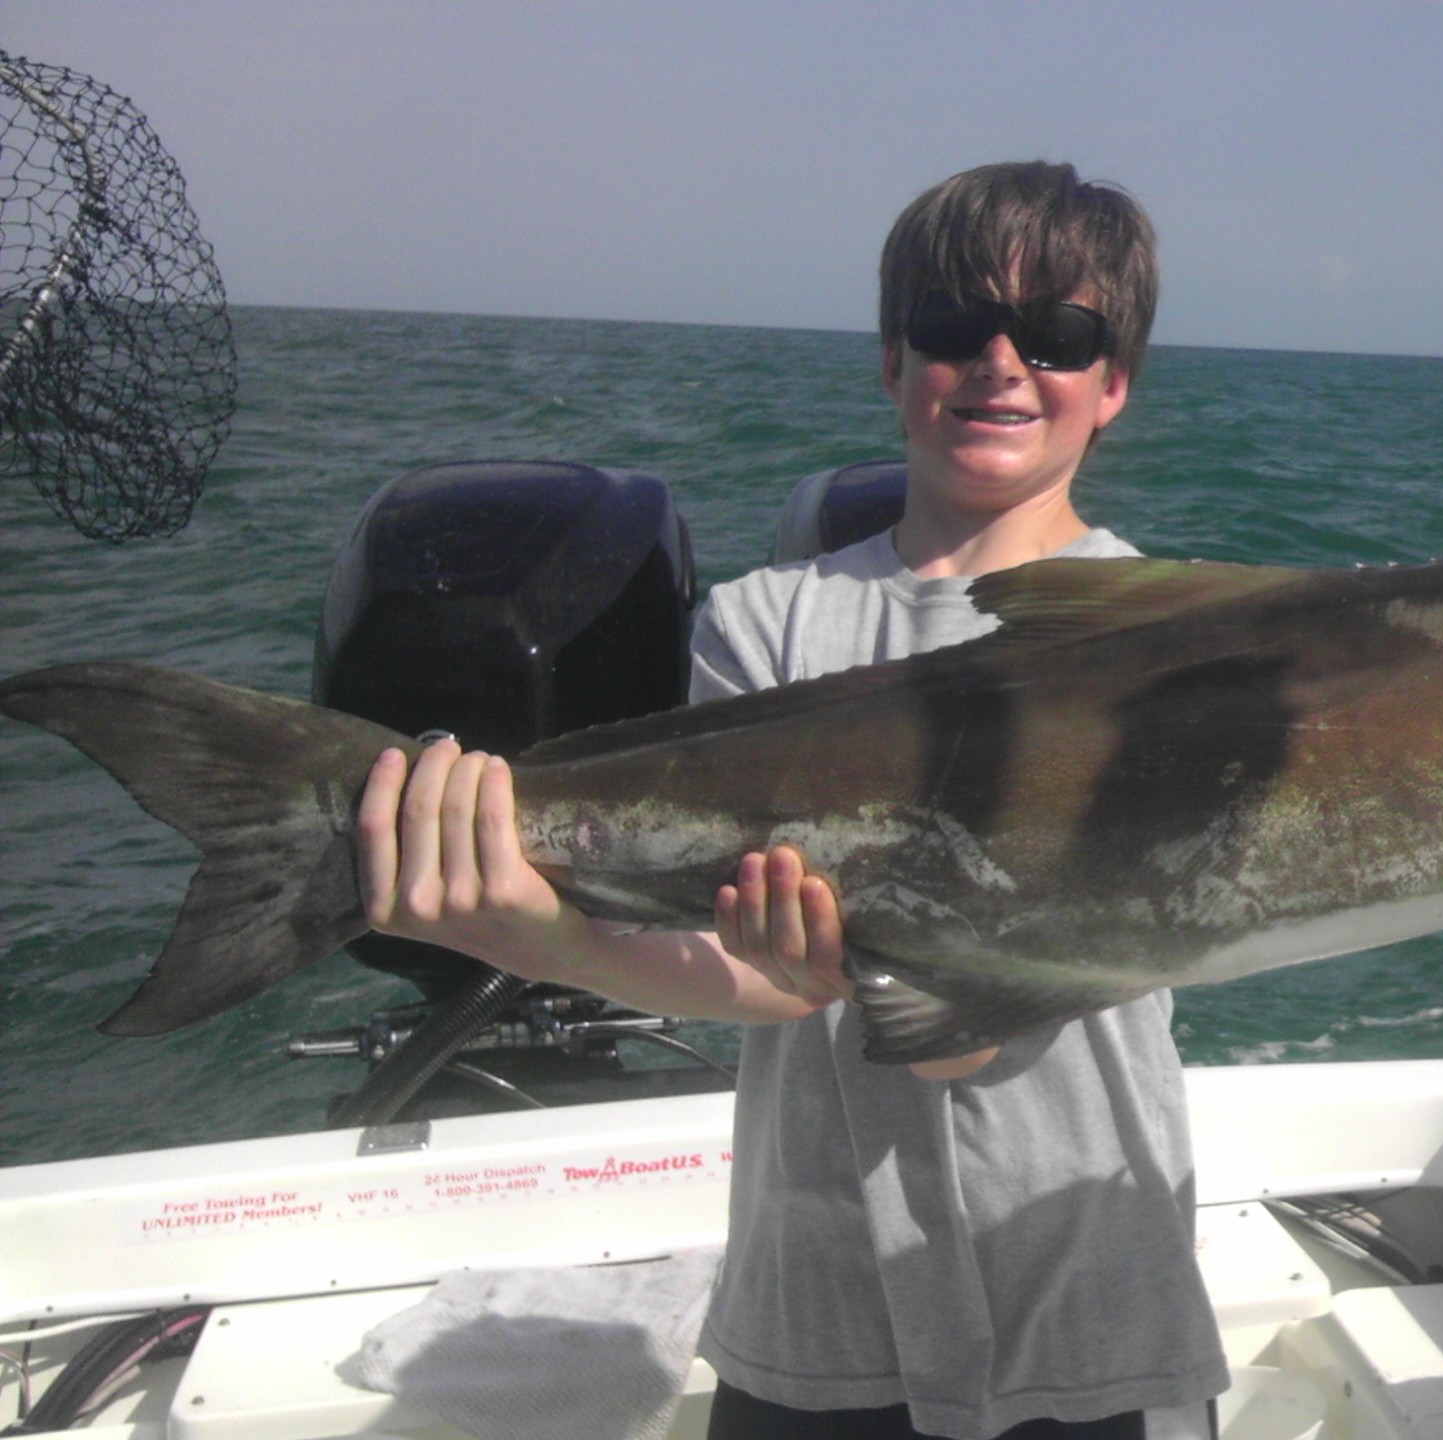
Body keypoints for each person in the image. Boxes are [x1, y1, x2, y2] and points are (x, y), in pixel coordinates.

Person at [355, 161, 1229, 1440]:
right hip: (820, 1297)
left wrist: (944, 1004)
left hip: (1089, 1288)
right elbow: (750, 968)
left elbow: (1077, 956)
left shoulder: (1176, 643)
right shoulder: (764, 621)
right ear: (890, 361)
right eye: (950, 326)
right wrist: (531, 935)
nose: (998, 362)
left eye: (1055, 334)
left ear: (1114, 384)